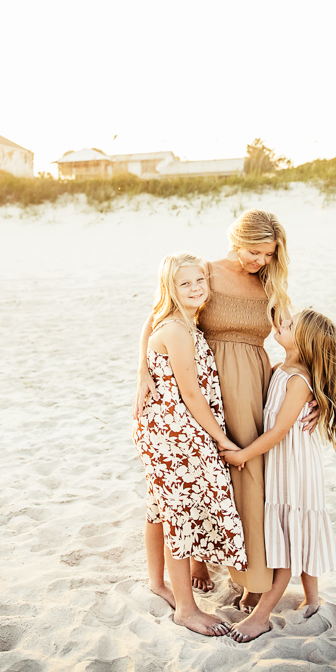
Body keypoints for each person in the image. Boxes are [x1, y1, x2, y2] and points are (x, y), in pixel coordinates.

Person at [134, 209, 318, 607]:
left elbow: (300, 340)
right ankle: (200, 560)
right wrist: (142, 373)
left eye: (268, 254)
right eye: (255, 251)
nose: (260, 261)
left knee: (249, 473)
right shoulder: (205, 273)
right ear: (237, 241)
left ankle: (254, 577)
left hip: (253, 382)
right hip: (204, 380)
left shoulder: (270, 285)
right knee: (208, 470)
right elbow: (157, 316)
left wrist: (315, 392)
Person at [132, 252, 247, 636]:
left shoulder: (176, 319)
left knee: (160, 505)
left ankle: (157, 582)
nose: (196, 288)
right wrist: (222, 439)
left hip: (164, 427)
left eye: (200, 280)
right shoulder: (179, 332)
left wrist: (141, 370)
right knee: (179, 514)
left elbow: (149, 319)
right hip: (175, 432)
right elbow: (193, 396)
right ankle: (185, 608)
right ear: (170, 288)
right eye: (185, 283)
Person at [221, 308, 336, 642]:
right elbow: (277, 308)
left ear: (304, 342)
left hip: (295, 469)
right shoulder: (280, 369)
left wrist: (243, 455)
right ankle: (313, 598)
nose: (282, 325)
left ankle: (262, 617)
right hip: (281, 466)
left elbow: (278, 431)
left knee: (290, 541)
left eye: (290, 326)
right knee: (295, 531)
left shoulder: (297, 379)